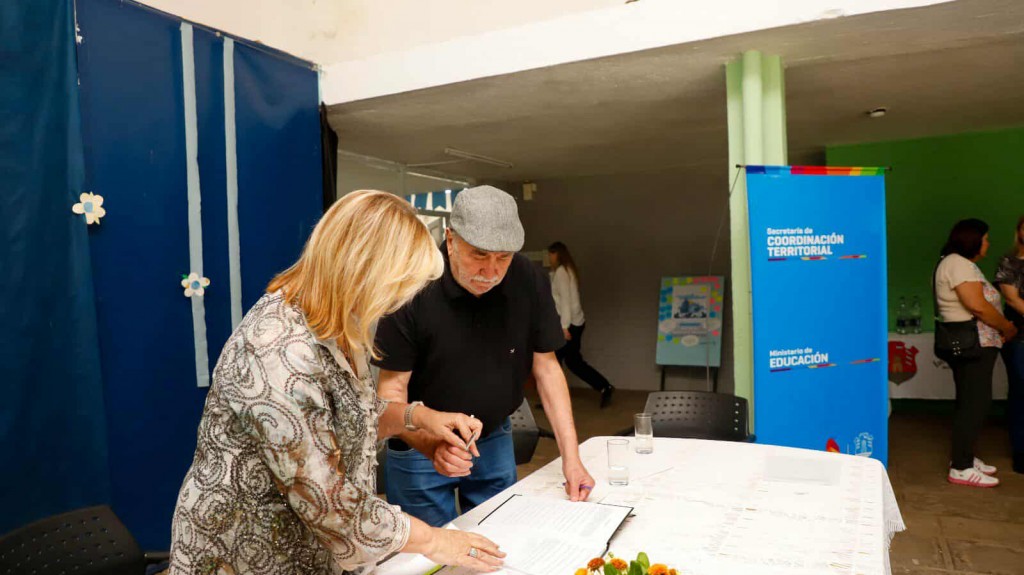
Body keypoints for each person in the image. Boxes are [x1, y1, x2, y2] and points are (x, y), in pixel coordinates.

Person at [168, 191, 505, 575]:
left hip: (307, 551)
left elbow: (347, 416)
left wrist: (418, 417)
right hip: (244, 555)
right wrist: (436, 540)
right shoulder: (279, 348)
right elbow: (326, 500)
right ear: (362, 271)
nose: (396, 303)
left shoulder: (336, 325)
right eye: (396, 289)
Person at [373, 185, 595, 527]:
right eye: (478, 254)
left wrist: (572, 458)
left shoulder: (527, 279)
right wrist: (430, 444)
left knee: (499, 540)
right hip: (419, 447)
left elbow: (547, 369)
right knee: (429, 559)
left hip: (493, 437)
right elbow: (389, 396)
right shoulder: (409, 285)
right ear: (450, 239)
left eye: (503, 257)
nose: (491, 272)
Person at [934, 218, 1017, 488]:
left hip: (974, 343)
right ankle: (961, 467)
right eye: (985, 238)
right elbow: (977, 305)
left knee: (969, 402)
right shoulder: (958, 263)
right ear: (973, 240)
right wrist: (1006, 326)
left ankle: (965, 456)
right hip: (973, 344)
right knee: (975, 405)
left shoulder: (957, 263)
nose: (988, 244)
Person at [547, 241, 615, 408]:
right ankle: (603, 387)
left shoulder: (562, 272)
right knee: (567, 361)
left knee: (565, 362)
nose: (549, 258)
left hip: (568, 324)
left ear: (557, 254)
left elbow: (565, 303)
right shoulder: (566, 271)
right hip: (573, 322)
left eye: (551, 254)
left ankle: (604, 387)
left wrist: (564, 328)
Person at [994, 215, 1024, 474]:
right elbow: (1013, 300)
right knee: (1021, 393)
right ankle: (1021, 450)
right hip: (1019, 338)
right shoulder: (1010, 262)